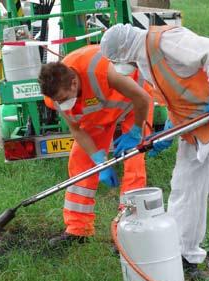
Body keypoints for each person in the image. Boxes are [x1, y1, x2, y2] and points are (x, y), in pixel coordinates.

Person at [100, 23, 209, 281]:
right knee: (184, 191)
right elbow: (180, 92)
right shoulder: (144, 60)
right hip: (195, 128)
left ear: (123, 51)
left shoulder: (166, 40)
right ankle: (183, 254)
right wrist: (167, 131)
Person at [38, 44, 152, 246]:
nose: (61, 104)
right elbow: (77, 130)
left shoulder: (103, 71)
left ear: (74, 83)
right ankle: (77, 230)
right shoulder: (55, 95)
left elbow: (142, 98)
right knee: (80, 160)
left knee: (133, 162)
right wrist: (99, 161)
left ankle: (128, 231)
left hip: (134, 105)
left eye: (63, 99)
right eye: (57, 101)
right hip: (98, 113)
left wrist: (135, 132)